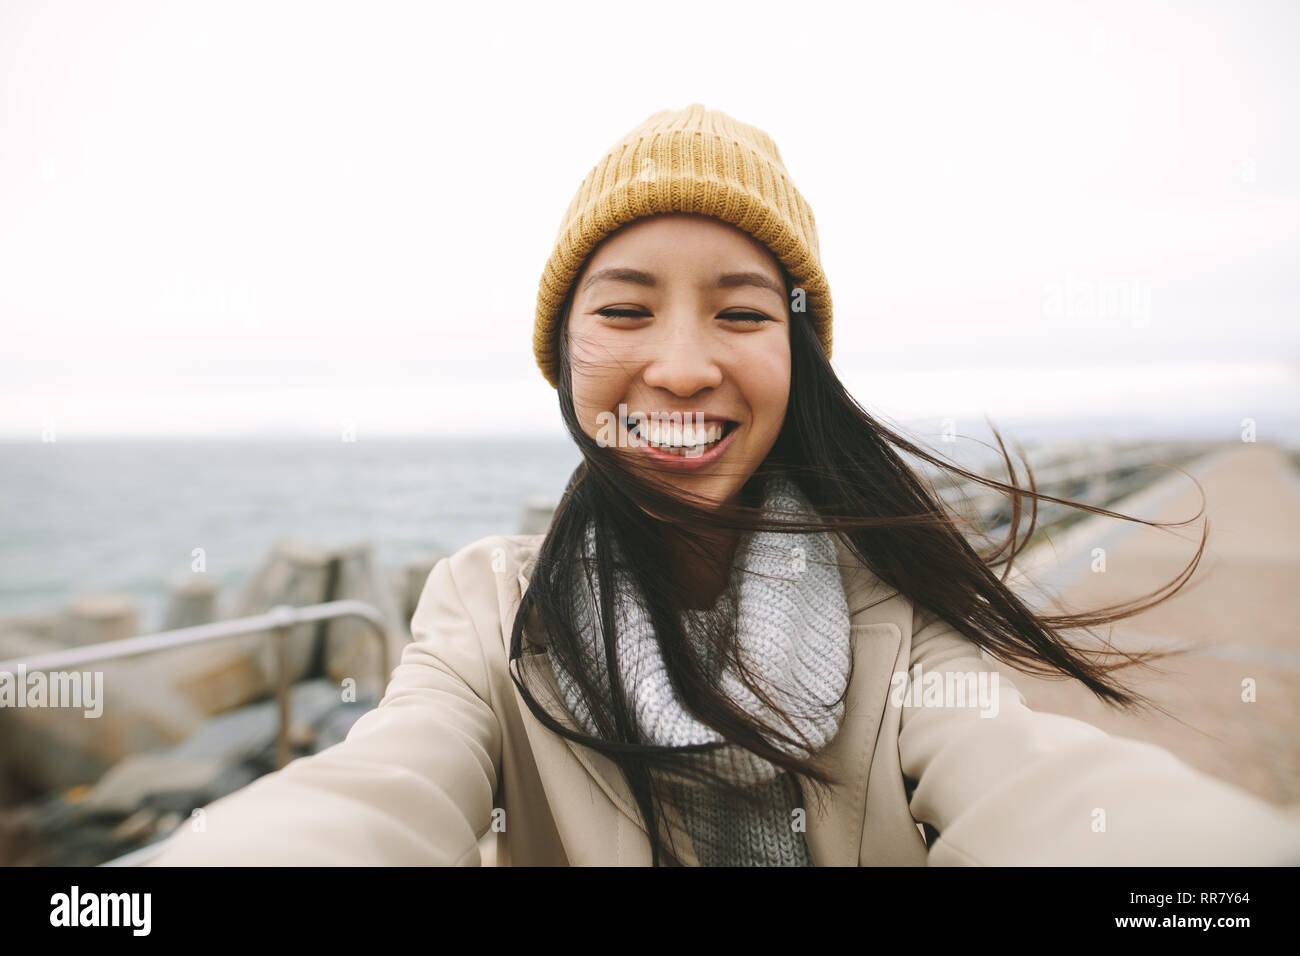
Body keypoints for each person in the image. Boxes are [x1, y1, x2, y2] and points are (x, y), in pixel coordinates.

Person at [149, 104, 1300, 866]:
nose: (685, 362)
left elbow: (1036, 785)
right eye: (624, 307)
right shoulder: (483, 605)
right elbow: (382, 789)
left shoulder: (899, 602)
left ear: (798, 359)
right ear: (562, 349)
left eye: (743, 311)